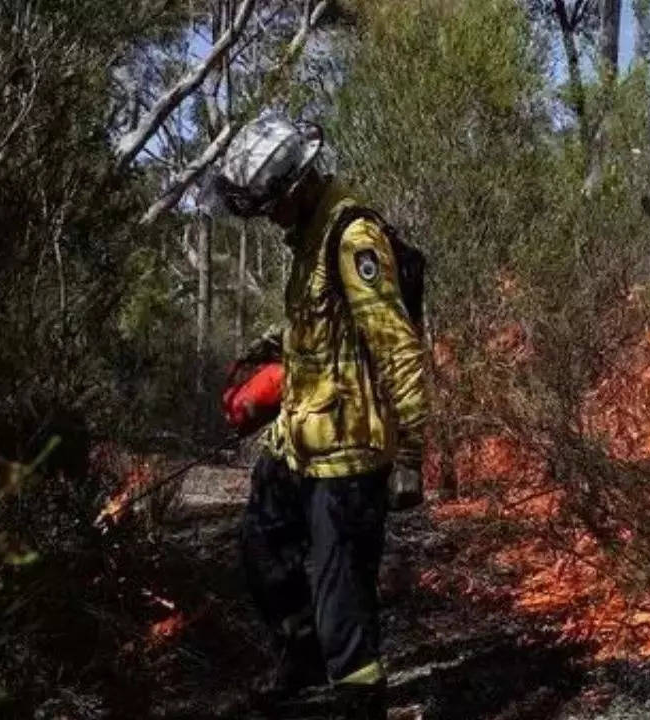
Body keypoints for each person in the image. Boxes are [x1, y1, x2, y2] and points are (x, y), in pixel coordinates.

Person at [201, 114, 428, 713]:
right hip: (300, 439)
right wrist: (275, 344)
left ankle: (359, 701)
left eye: (272, 203)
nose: (269, 215)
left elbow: (398, 345)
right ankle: (299, 657)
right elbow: (321, 326)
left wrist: (409, 454)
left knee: (342, 605)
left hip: (349, 453)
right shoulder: (309, 235)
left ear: (298, 184)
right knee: (260, 547)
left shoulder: (352, 240)